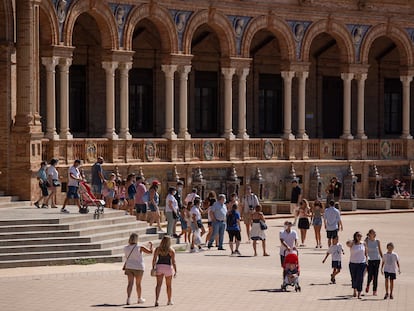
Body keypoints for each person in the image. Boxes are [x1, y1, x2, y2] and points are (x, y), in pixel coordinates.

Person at [123, 233, 153, 305]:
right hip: (139, 267)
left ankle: (128, 298)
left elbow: (127, 257)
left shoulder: (126, 248)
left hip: (129, 266)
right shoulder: (140, 247)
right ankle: (139, 298)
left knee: (130, 283)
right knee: (138, 284)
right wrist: (151, 246)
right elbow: (150, 252)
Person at [152, 236, 177, 307]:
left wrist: (153, 267)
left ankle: (157, 300)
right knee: (169, 285)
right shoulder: (171, 250)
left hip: (159, 266)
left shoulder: (158, 249)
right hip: (168, 268)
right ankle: (169, 300)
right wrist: (175, 270)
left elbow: (154, 259)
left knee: (158, 285)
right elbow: (173, 262)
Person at [346, 231, 368, 299]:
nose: (359, 237)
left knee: (360, 278)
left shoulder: (363, 243)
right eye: (358, 236)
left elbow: (366, 253)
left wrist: (366, 261)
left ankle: (359, 293)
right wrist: (351, 241)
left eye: (360, 236)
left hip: (362, 263)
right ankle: (354, 290)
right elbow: (347, 244)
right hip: (353, 263)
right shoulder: (352, 244)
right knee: (354, 278)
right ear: (355, 236)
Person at [365, 229, 383, 296]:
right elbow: (365, 250)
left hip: (377, 259)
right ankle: (368, 285)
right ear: (369, 234)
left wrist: (383, 258)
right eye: (372, 233)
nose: (374, 234)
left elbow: (380, 250)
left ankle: (374, 290)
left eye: (374, 233)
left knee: (375, 276)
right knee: (370, 275)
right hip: (369, 260)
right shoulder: (366, 241)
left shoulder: (377, 241)